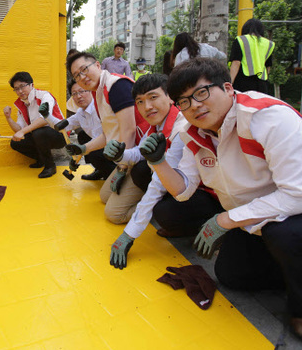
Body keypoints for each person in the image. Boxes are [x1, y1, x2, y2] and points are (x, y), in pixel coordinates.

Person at [147, 57, 302, 345]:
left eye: (201, 93)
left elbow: (297, 195)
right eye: (183, 101)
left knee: (290, 235)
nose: (194, 106)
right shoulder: (191, 132)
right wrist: (158, 163)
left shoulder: (265, 116)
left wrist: (224, 220)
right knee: (232, 275)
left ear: (228, 88)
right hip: (263, 214)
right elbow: (184, 191)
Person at [107, 73, 222, 269]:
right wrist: (120, 155)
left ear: (170, 97)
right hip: (184, 184)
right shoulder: (157, 126)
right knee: (141, 170)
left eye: (153, 97)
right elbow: (139, 153)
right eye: (140, 102)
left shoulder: (180, 129)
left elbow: (157, 186)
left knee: (164, 212)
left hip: (209, 194)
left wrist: (129, 234)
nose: (147, 107)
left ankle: (203, 223)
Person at [66, 53, 148, 222]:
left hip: (143, 155)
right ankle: (140, 194)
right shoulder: (99, 93)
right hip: (128, 153)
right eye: (76, 75)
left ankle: (155, 204)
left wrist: (123, 168)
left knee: (114, 214)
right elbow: (108, 133)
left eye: (84, 69)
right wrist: (84, 149)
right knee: (104, 195)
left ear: (97, 65)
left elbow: (129, 130)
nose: (82, 77)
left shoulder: (116, 86)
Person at [3, 72, 65, 178]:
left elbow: (45, 119)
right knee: (15, 142)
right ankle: (41, 159)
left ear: (31, 84)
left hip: (59, 134)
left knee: (38, 132)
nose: (20, 91)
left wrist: (23, 131)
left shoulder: (45, 96)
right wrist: (8, 117)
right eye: (16, 89)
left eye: (22, 86)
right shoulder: (21, 104)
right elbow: (19, 129)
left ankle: (50, 166)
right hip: (40, 135)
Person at [54, 81, 115, 180]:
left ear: (90, 91)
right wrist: (47, 116)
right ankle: (100, 170)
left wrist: (83, 150)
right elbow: (64, 125)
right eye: (74, 94)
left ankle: (112, 174)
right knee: (82, 136)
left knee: (93, 153)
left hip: (113, 146)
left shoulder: (102, 107)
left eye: (82, 91)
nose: (78, 96)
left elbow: (106, 136)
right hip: (99, 144)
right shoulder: (80, 112)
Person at [229, 18, 275, 93]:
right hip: (261, 84)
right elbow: (268, 66)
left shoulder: (241, 40)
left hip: (242, 83)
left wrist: (230, 83)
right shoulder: (269, 44)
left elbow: (236, 63)